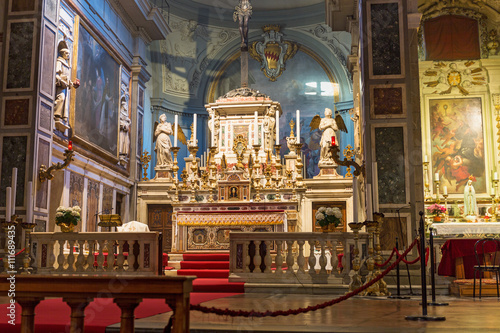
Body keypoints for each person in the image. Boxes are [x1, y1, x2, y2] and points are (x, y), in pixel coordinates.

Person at [54, 44, 79, 121]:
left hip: (64, 86)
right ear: (63, 54)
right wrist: (61, 81)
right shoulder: (59, 62)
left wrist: (73, 84)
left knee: (65, 102)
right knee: (61, 98)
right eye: (67, 53)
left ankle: (61, 116)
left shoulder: (66, 64)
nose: (68, 55)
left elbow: (67, 80)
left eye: (69, 54)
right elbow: (56, 74)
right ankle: (55, 114)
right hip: (60, 85)